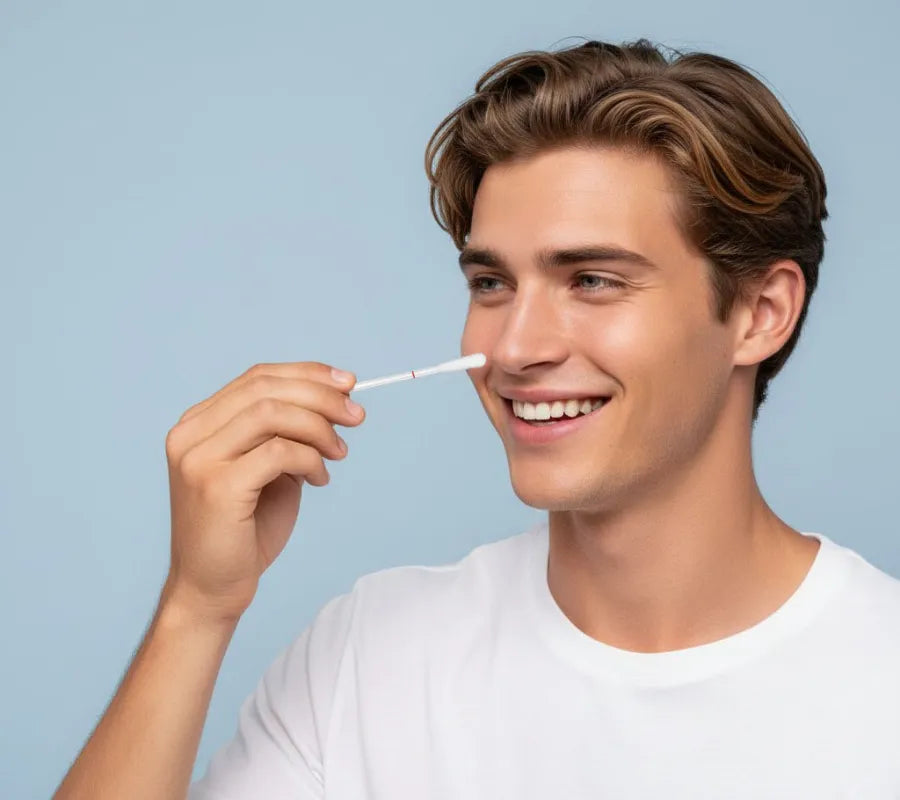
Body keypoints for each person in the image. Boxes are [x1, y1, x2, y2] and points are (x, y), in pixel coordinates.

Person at [53, 38, 900, 800]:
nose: (513, 347)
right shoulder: (367, 658)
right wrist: (196, 607)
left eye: (592, 280)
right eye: (491, 284)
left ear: (760, 313)